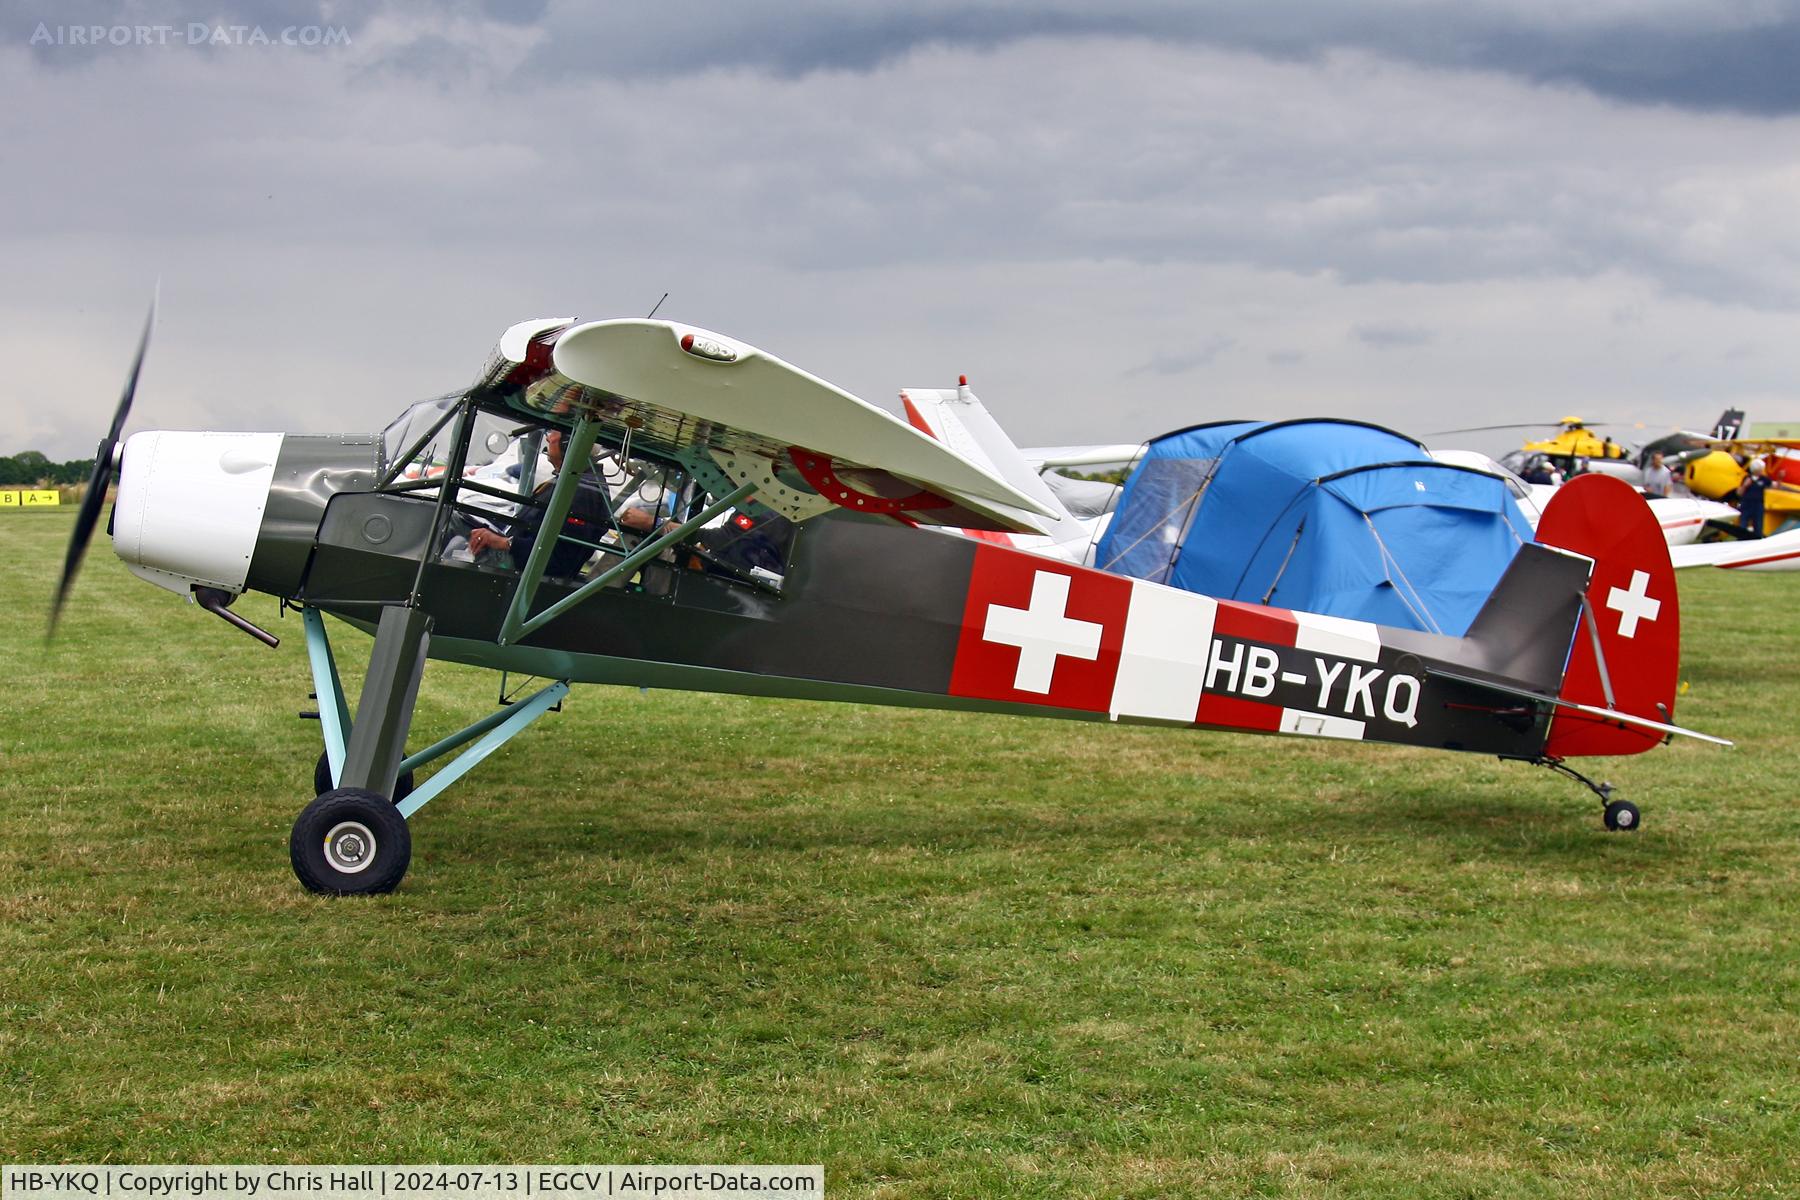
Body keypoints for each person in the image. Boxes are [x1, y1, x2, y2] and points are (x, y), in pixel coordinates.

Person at [468, 428, 661, 575]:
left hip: (525, 575)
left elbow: (561, 561)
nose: (548, 437)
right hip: (519, 565)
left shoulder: (583, 492)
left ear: (568, 444)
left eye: (553, 433)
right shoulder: (571, 482)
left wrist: (505, 543)